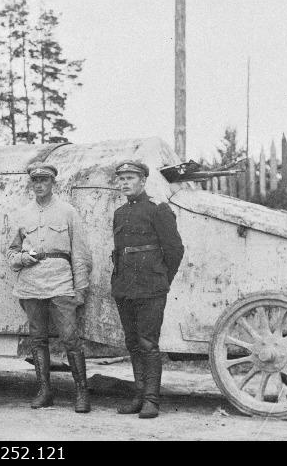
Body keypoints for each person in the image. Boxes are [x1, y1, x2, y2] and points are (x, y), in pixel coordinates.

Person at [6, 162, 93, 413]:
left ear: (53, 183)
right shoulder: (22, 214)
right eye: (35, 181)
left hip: (60, 283)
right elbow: (11, 252)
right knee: (38, 339)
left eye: (44, 181)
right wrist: (23, 258)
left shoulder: (68, 212)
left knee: (70, 339)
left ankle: (81, 393)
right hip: (31, 284)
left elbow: (80, 253)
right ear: (31, 184)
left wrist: (81, 287)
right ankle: (45, 391)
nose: (40, 185)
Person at [111, 160, 184, 419]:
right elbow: (119, 252)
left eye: (131, 178)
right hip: (125, 288)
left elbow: (175, 250)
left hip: (151, 288)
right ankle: (139, 396)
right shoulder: (119, 213)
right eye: (122, 179)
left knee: (148, 344)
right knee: (132, 344)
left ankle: (152, 400)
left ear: (143, 181)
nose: (125, 183)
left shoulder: (158, 210)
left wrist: (162, 280)